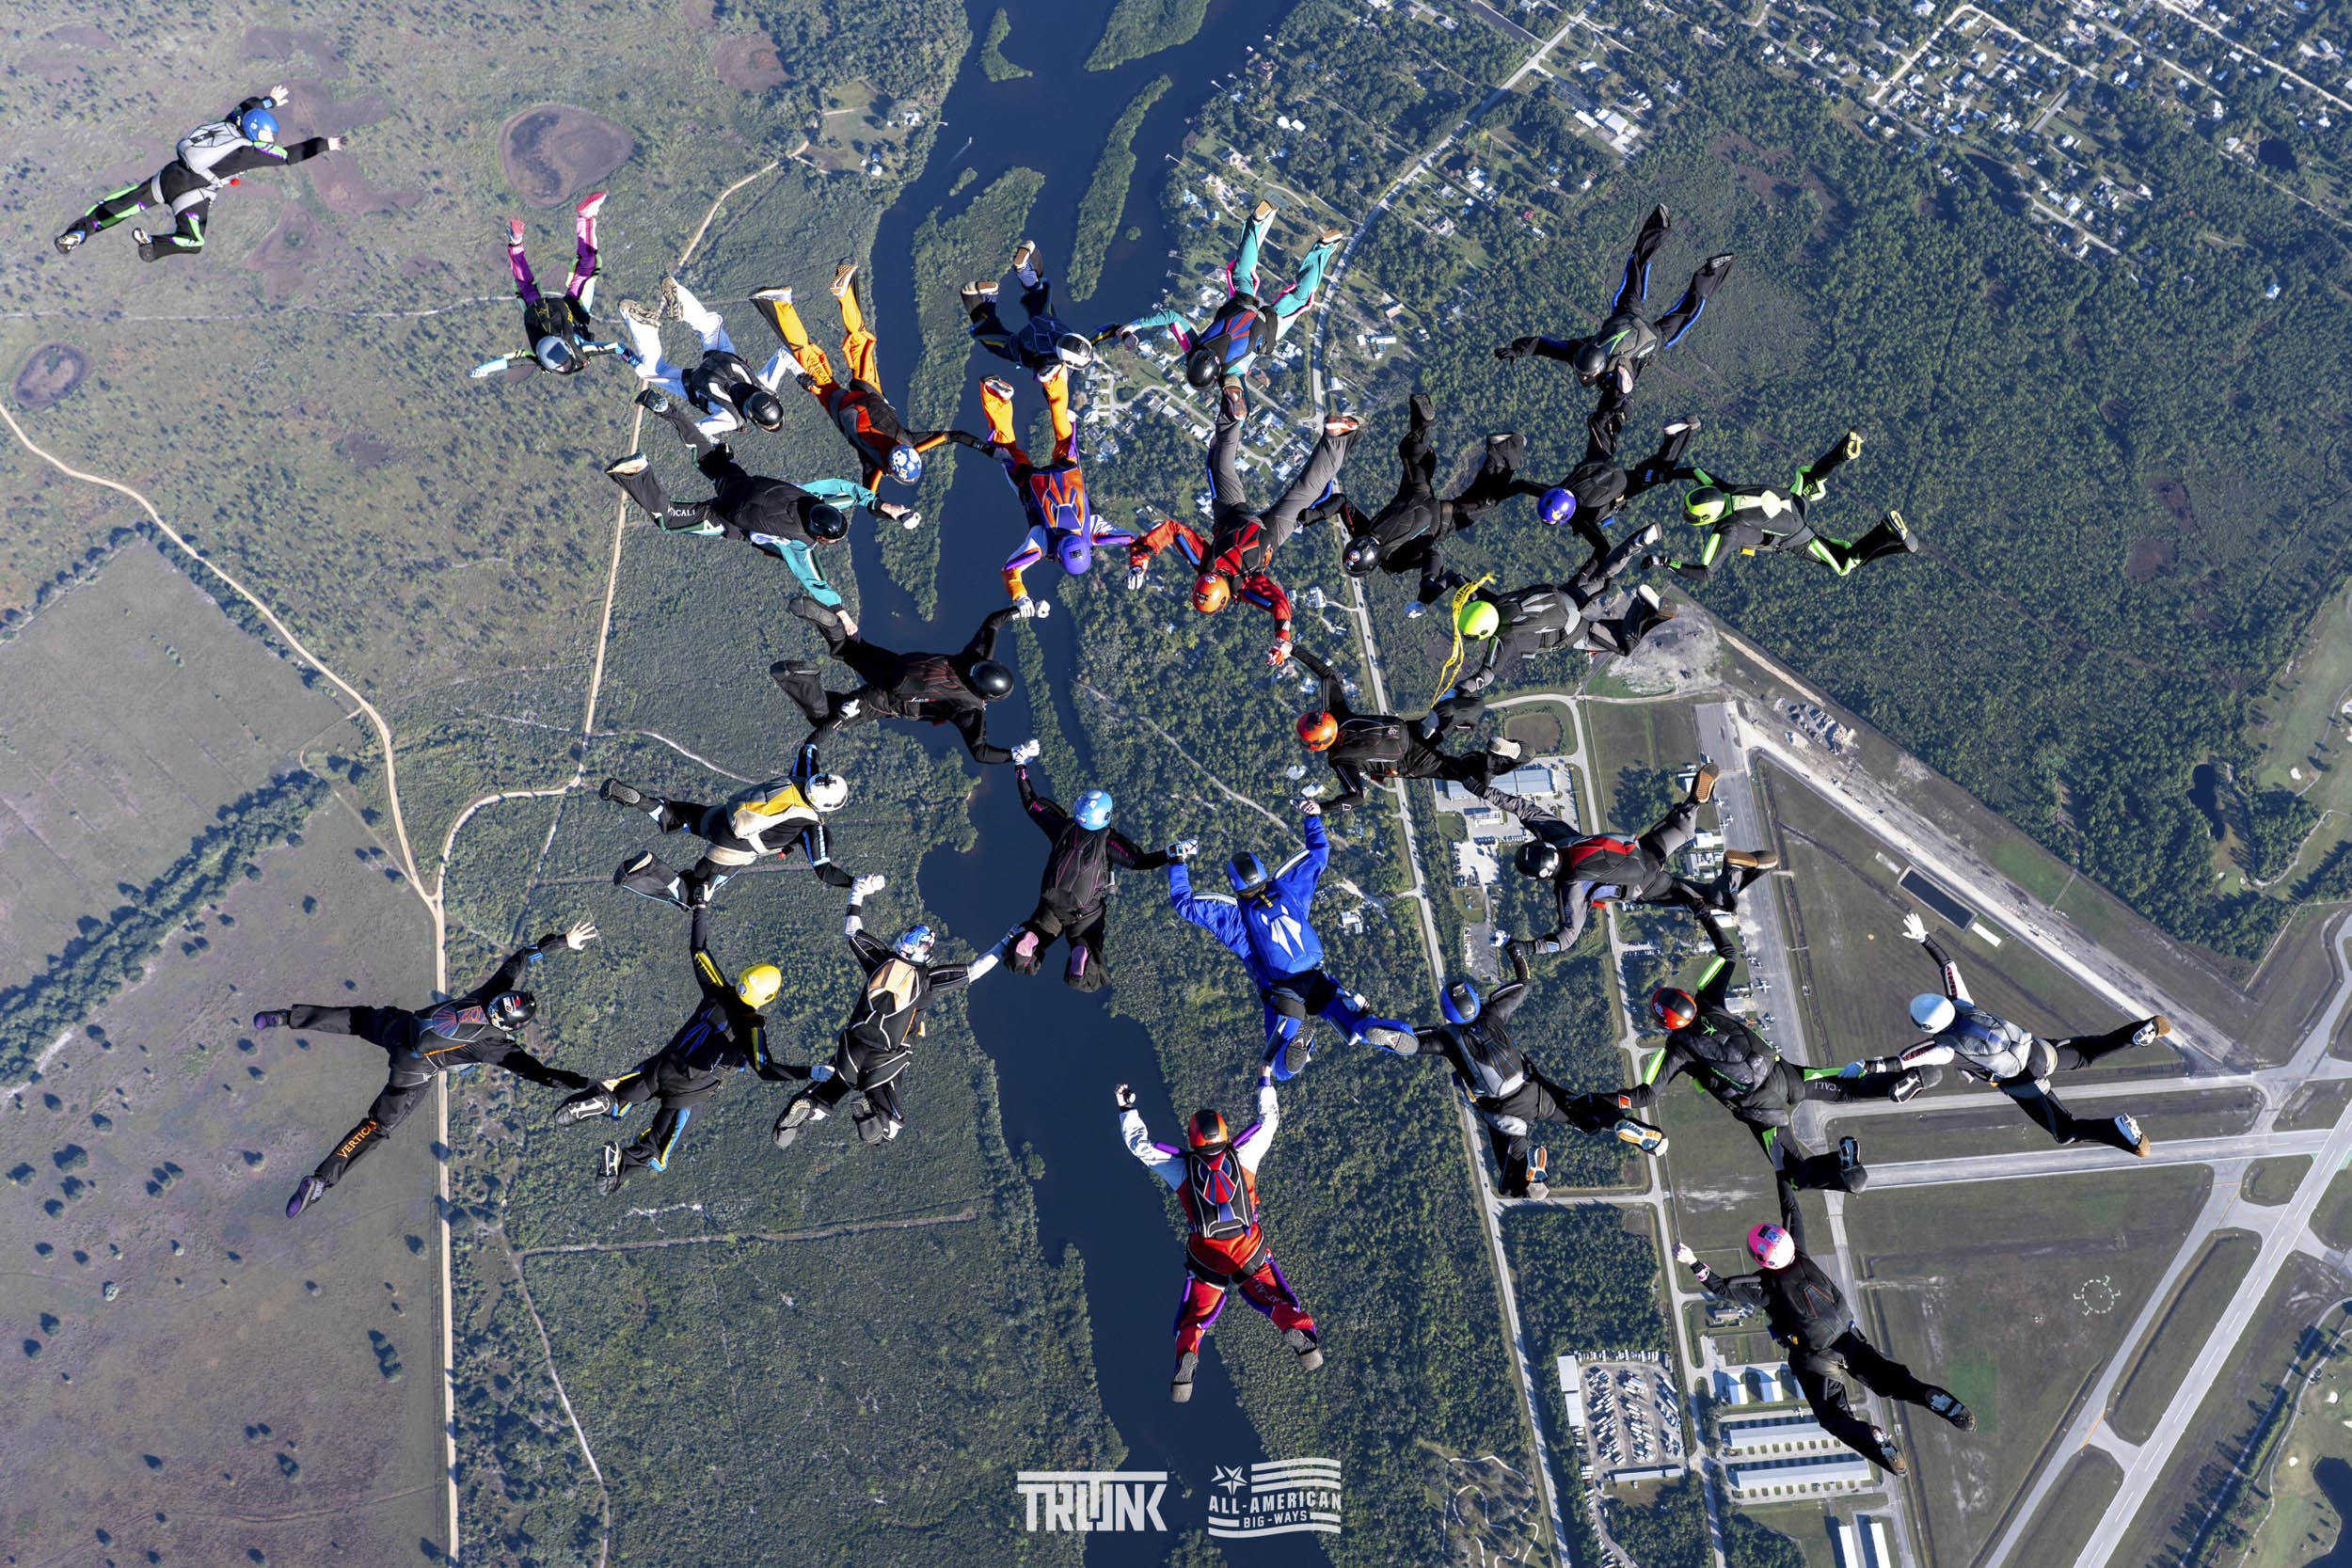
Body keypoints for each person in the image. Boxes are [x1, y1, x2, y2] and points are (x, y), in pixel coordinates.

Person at [259, 919, 599, 1216]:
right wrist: (589, 1084)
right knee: (376, 1127)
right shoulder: (496, 1046)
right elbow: (541, 1074)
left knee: (359, 1020)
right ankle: (320, 1181)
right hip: (413, 1072)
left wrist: (563, 942)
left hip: (401, 1028)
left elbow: (521, 957)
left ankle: (286, 1017)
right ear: (512, 1027)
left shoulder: (491, 992)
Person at [1674, 1201, 1975, 1474]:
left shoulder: (1765, 1286)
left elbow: (1723, 1288)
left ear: (1761, 1259)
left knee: (1833, 1417)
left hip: (1813, 1356)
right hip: (1849, 1339)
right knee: (1892, 1381)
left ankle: (1873, 1441)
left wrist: (1692, 1262)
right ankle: (1926, 1395)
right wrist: (1780, 1164)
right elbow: (1792, 1208)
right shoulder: (1801, 1254)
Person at [1620, 940, 1924, 1193]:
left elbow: (1645, 1095)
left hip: (1760, 1110)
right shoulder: (1709, 1001)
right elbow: (1728, 953)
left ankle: (1843, 1169)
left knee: (1793, 1174)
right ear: (1687, 998)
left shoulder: (1678, 1049)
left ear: (1665, 1024)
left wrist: (1605, 1101)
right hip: (1785, 1077)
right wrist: (1701, 909)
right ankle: (1899, 1081)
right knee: (1845, 1089)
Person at [1851, 911, 2166, 1157]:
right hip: (2039, 1050)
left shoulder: (1944, 1048)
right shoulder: (1962, 1003)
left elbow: (1901, 1061)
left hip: (2023, 1080)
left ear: (1927, 1027)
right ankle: (2138, 1033)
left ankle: (2119, 1132)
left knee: (2065, 1131)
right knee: (2086, 1053)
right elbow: (1948, 966)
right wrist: (1924, 938)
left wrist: (1864, 1067)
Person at [553, 904, 795, 1194]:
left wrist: (700, 908)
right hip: (689, 1093)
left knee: (617, 1093)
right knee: (657, 1151)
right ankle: (616, 1172)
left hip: (663, 1064)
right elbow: (764, 1067)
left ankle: (604, 1103)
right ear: (768, 996)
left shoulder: (718, 990)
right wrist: (813, 1073)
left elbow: (698, 949)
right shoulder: (752, 1027)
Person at [1168, 800, 1414, 1079]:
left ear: (1233, 885)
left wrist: (1178, 861)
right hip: (1316, 978)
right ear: (1261, 870)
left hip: (1283, 991)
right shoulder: (1288, 889)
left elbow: (1185, 904)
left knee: (1280, 1069)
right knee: (1350, 1019)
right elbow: (1318, 854)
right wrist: (1312, 818)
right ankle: (1380, 1029)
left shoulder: (1236, 918)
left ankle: (1300, 1041)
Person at [1117, 1071, 1323, 1402]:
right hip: (1250, 1254)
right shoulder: (1243, 1156)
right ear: (1224, 1133)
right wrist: (1265, 1081)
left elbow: (1140, 1147)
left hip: (1207, 1263)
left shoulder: (1181, 1168)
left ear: (1192, 1139)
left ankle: (1187, 1365)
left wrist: (1128, 1110)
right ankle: (1296, 1330)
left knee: (1194, 1320)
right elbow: (1268, 1120)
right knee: (1277, 1302)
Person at [771, 876, 1017, 1148]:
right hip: (887, 1056)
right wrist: (1006, 942)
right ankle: (870, 1113)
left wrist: (857, 893)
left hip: (850, 1046)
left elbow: (852, 931)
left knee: (834, 1085)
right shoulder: (927, 980)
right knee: (889, 1126)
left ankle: (810, 1105)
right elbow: (974, 971)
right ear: (927, 953)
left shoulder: (880, 960)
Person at [1410, 939, 1668, 1198]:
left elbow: (1403, 1042)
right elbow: (1526, 983)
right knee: (1581, 1110)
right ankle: (1619, 1121)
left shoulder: (1446, 1040)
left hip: (1506, 1112)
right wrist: (1515, 950)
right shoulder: (1493, 1013)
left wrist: (1367, 1021)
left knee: (1509, 1185)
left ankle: (1533, 1174)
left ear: (1447, 1011)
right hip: (1535, 1090)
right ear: (1474, 1000)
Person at [1126, 383, 1358, 667]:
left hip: (1268, 534)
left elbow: (1280, 605)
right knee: (1219, 465)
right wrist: (1141, 557)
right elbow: (1173, 529)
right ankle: (1232, 415)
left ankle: (1335, 437)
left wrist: (1281, 639)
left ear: (1223, 600)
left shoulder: (1244, 586)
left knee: (1308, 490)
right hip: (1231, 518)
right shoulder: (1205, 563)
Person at [1486, 762, 1774, 952]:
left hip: (1647, 885)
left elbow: (1566, 938)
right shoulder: (1560, 838)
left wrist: (1525, 947)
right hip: (1641, 851)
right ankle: (1693, 804)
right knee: (1681, 829)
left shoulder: (1570, 887)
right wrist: (1481, 790)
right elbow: (1523, 809)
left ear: (1541, 875)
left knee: (1714, 899)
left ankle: (1733, 871)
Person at [603, 443, 915, 612]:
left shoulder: (813, 497)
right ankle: (638, 471)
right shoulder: (799, 543)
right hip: (728, 517)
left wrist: (885, 507)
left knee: (713, 464)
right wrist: (842, 614)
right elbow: (815, 581)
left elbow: (849, 491)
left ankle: (678, 435)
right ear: (819, 536)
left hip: (745, 487)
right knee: (668, 520)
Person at [1492, 204, 1731, 421]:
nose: (1584, 379)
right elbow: (1543, 345)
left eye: (1587, 375)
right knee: (1635, 272)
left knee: (1686, 313)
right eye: (1583, 375)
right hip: (1626, 317)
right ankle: (1661, 228)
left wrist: (1612, 417)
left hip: (1652, 337)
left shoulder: (1616, 373)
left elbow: (1621, 397)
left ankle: (1712, 268)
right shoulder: (1579, 353)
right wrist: (1518, 350)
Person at [55, 87, 347, 261]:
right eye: (266, 136)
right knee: (192, 241)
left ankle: (79, 232)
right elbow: (290, 156)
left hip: (168, 176)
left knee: (122, 205)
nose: (267, 141)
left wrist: (269, 101)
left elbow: (245, 107)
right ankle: (153, 246)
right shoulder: (249, 150)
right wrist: (327, 144)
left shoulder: (229, 125)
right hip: (192, 194)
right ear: (257, 134)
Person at [1312, 393, 1547, 611]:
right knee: (1415, 457)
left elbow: (1434, 557)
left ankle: (1505, 446)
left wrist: (1426, 593)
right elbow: (1341, 502)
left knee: (1486, 500)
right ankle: (1423, 426)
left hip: (1443, 519)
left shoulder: (1393, 561)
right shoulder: (1362, 533)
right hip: (1415, 493)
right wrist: (1308, 518)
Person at [753, 264, 967, 492]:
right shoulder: (875, 468)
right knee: (807, 356)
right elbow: (869, 500)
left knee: (861, 342)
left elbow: (950, 436)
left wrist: (988, 448)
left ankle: (844, 293)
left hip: (870, 395)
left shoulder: (913, 444)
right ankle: (780, 302)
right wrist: (895, 514)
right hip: (843, 408)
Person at [771, 598, 1033, 766]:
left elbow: (993, 623)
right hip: (887, 699)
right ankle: (803, 679)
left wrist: (1021, 610)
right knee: (825, 717)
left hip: (897, 665)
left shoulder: (975, 658)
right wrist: (1016, 754)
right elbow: (980, 752)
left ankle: (831, 626)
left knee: (850, 649)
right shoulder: (970, 709)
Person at [601, 741, 855, 909]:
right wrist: (856, 883)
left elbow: (810, 746)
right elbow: (825, 871)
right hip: (732, 849)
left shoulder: (803, 775)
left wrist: (833, 721)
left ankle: (640, 801)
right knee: (692, 897)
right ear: (829, 807)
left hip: (723, 816)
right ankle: (649, 868)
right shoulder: (813, 828)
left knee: (675, 815)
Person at [1120, 198, 1344, 387]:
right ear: (1192, 362)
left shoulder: (1232, 373)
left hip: (1268, 326)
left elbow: (1238, 395)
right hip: (1240, 305)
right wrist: (1133, 326)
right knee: (1242, 272)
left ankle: (1324, 247)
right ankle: (1256, 222)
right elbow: (1171, 317)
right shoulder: (1193, 348)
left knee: (1300, 298)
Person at [1656, 430, 1917, 582]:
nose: (1687, 515)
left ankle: (1886, 532)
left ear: (1706, 518)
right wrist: (1667, 474)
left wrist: (1665, 562)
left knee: (1845, 565)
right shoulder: (1726, 490)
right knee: (1813, 478)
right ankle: (1842, 452)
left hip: (1796, 536)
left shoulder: (1727, 530)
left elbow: (1704, 573)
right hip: (1790, 503)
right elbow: (1696, 471)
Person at [977, 373, 1136, 613]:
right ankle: (998, 397)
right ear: (1059, 557)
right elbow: (1010, 569)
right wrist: (1021, 596)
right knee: (1006, 447)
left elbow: (1132, 540)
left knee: (1064, 434)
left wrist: (1137, 565)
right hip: (1028, 481)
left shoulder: (1094, 531)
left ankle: (1053, 382)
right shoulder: (1042, 542)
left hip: (1067, 469)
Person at [1452, 524, 1673, 696]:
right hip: (1564, 596)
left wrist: (1461, 689)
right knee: (1603, 576)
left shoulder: (1504, 639)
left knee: (1625, 646)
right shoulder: (1496, 604)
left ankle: (1641, 605)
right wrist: (1443, 578)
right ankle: (1638, 541)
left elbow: (1486, 675)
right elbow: (1468, 588)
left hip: (1573, 629)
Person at [1294, 646, 1521, 812]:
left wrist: (1322, 808)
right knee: (1464, 730)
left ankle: (1485, 745)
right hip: (1413, 743)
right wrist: (1292, 649)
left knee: (1467, 762)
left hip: (1413, 749)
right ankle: (1488, 744)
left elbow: (1356, 798)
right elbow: (1326, 674)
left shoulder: (1339, 757)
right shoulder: (1339, 723)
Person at [1009, 760, 1171, 990]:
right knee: (1088, 940)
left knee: (1040, 931)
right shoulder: (1108, 841)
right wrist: (1170, 853)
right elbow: (1139, 861)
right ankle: (1082, 951)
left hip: (1051, 901)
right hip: (1084, 911)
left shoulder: (1062, 827)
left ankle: (1030, 940)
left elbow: (1032, 805)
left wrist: (1021, 770)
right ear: (1105, 816)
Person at [617, 282, 789, 454]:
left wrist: (803, 375)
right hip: (695, 383)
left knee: (709, 327)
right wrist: (716, 444)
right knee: (654, 371)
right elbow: (698, 429)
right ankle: (641, 326)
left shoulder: (768, 386)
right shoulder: (730, 420)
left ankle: (682, 301)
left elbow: (784, 354)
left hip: (722, 357)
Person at [470, 194, 623, 379]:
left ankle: (586, 217)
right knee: (528, 285)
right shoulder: (548, 353)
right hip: (557, 312)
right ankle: (519, 242)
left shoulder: (575, 351)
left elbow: (615, 347)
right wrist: (485, 368)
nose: (564, 366)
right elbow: (511, 361)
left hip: (565, 313)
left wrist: (486, 368)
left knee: (587, 268)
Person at [964, 241, 1114, 385]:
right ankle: (986, 297)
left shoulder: (1074, 339)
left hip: (1047, 324)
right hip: (1024, 345)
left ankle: (1025, 269)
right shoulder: (1051, 365)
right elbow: (1041, 376)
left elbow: (1100, 333)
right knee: (990, 336)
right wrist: (1049, 374)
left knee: (1038, 297)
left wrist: (1122, 331)